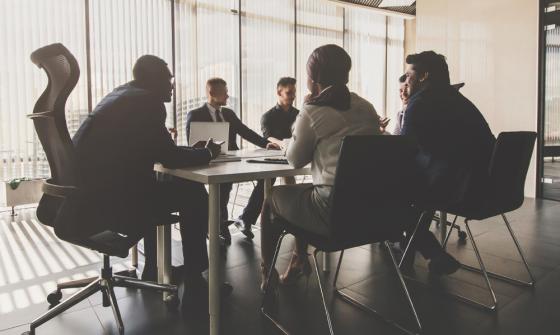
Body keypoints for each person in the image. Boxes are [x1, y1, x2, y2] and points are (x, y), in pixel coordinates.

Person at [66, 55, 228, 311]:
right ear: (152, 80)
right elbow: (168, 156)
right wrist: (208, 153)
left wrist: (185, 152)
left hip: (84, 196)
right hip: (110, 201)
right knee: (192, 191)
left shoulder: (122, 95)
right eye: (168, 79)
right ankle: (196, 278)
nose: (172, 86)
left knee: (159, 181)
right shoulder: (148, 102)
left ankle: (153, 267)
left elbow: (154, 149)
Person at [259, 44, 382, 289]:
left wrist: (302, 116)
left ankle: (267, 274)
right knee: (304, 194)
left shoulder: (313, 110)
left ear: (312, 78)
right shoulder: (367, 108)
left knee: (272, 199)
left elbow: (294, 159)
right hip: (373, 210)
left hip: (331, 212)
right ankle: (297, 259)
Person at [400, 51, 496, 273]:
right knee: (418, 189)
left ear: (423, 76)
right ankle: (418, 251)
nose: (406, 81)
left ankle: (423, 251)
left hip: (460, 191)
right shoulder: (462, 102)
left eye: (408, 76)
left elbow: (402, 152)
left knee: (393, 194)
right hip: (488, 188)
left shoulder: (419, 103)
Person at [186, 78, 280, 245]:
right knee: (223, 185)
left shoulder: (228, 113)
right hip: (209, 161)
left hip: (232, 159)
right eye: (224, 92)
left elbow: (246, 132)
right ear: (212, 93)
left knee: (268, 176)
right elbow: (191, 143)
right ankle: (217, 224)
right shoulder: (195, 114)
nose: (228, 95)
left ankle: (245, 218)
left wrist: (266, 144)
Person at [232, 77, 299, 239]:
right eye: (289, 92)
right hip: (273, 157)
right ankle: (247, 219)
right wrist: (284, 144)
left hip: (291, 155)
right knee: (269, 181)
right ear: (279, 92)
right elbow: (268, 137)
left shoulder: (299, 114)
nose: (292, 96)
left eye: (294, 93)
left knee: (288, 182)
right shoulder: (268, 116)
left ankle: (288, 219)